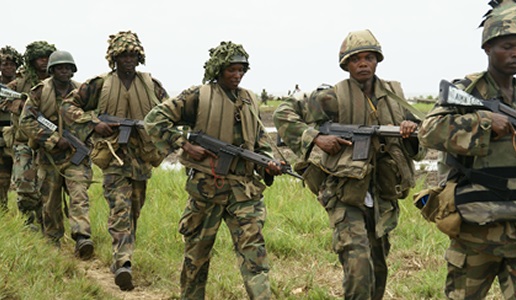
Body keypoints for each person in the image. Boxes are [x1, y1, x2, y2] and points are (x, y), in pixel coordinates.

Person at [273, 29, 425, 299]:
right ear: (346, 64)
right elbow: (283, 113)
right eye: (356, 59)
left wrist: (410, 131)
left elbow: (422, 144)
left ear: (377, 60)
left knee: (378, 270)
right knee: (357, 268)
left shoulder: (395, 97)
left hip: (382, 197)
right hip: (344, 194)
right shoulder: (332, 98)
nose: (363, 63)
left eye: (369, 57)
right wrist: (316, 138)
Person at [417, 1, 516, 298]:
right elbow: (428, 130)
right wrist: (485, 123)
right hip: (476, 228)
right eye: (508, 46)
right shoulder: (467, 90)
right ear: (488, 47)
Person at [144, 41, 282, 300]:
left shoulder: (249, 99)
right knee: (196, 256)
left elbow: (261, 142)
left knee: (255, 258)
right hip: (207, 191)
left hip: (244, 193)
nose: (237, 75)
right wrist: (184, 145)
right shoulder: (198, 96)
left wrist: (268, 164)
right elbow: (154, 119)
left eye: (242, 70)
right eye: (232, 69)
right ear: (218, 69)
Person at [60, 31, 168, 291]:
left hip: (142, 158)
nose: (128, 60)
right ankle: (123, 262)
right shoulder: (99, 84)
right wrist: (93, 123)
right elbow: (67, 106)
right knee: (119, 208)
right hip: (113, 157)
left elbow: (169, 112)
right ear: (114, 58)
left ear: (139, 57)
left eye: (132, 55)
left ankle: (123, 255)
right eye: (123, 56)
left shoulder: (151, 85)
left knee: (134, 210)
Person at [19, 50, 94, 259]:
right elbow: (26, 121)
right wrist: (53, 140)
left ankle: (82, 237)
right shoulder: (40, 92)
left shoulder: (82, 92)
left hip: (76, 156)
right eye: (60, 67)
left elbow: (95, 118)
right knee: (50, 202)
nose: (65, 71)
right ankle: (53, 243)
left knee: (79, 194)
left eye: (68, 67)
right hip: (49, 157)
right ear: (52, 70)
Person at [5, 41, 56, 227]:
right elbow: (3, 98)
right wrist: (17, 104)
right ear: (32, 60)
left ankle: (47, 223)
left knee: (47, 187)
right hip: (24, 141)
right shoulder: (20, 81)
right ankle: (28, 221)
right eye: (40, 58)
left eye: (47, 58)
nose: (44, 61)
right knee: (25, 183)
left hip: (49, 141)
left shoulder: (57, 80)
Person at [0, 46, 23, 210]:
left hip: (21, 139)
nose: (9, 68)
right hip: (1, 142)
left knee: (25, 180)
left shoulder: (23, 86)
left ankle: (27, 215)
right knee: (2, 180)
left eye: (12, 64)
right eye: (5, 64)